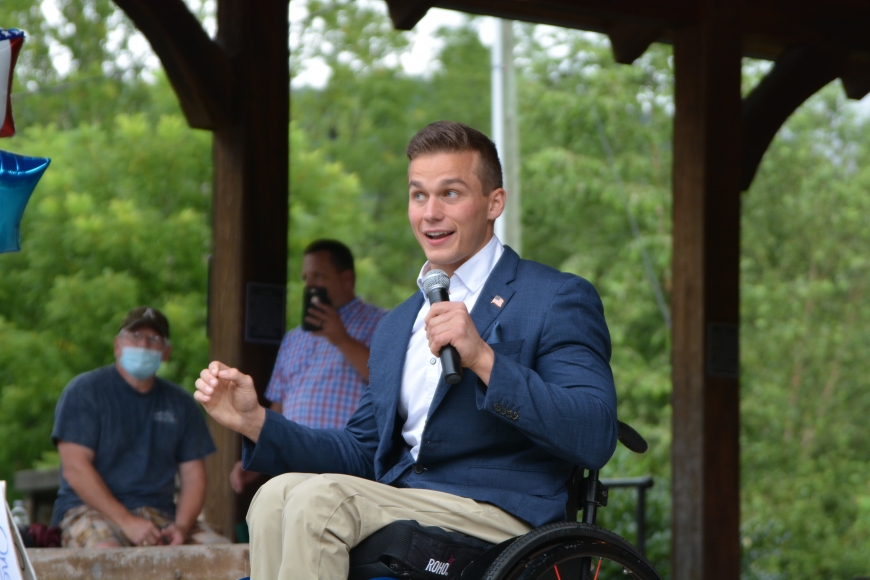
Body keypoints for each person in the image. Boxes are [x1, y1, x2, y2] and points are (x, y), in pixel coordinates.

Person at [195, 121, 618, 578]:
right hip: (403, 500)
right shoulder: (398, 324)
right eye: (419, 195)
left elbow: (593, 435)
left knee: (318, 502)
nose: (430, 213)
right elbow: (360, 450)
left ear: (494, 202)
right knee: (275, 495)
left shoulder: (553, 297)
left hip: (501, 514)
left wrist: (483, 359)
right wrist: (255, 420)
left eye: (450, 194)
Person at [51, 306, 228, 548]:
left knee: (224, 555)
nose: (143, 344)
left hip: (160, 517)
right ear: (117, 345)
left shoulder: (182, 403)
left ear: (166, 352)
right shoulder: (84, 392)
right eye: (135, 336)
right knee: (109, 556)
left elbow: (194, 477)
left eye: (154, 339)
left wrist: (182, 527)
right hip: (88, 511)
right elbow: (74, 468)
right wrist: (127, 522)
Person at [229, 239, 387, 493]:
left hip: (348, 471)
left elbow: (390, 383)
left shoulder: (383, 323)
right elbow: (278, 406)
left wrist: (341, 339)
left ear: (347, 279)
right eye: (306, 278)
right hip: (294, 470)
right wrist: (259, 456)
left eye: (318, 276)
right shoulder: (293, 337)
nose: (310, 285)